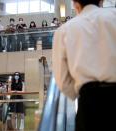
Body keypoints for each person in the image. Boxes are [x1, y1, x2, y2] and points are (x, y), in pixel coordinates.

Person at [52, 0, 116, 131]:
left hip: (89, 102)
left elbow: (62, 80)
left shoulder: (64, 30)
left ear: (75, 4)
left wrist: (80, 92)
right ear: (101, 1)